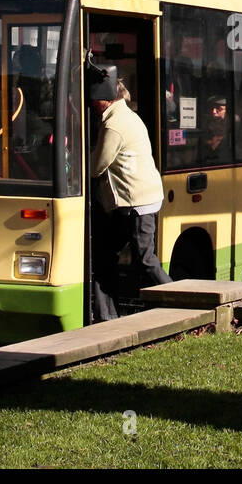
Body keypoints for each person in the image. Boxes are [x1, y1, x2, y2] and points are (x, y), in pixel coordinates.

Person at [88, 59, 171, 320]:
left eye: (93, 98)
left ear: (105, 98)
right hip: (133, 203)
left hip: (134, 204)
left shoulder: (114, 125)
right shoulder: (128, 115)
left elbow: (96, 166)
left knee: (145, 260)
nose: (91, 104)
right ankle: (106, 319)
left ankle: (186, 302)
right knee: (105, 258)